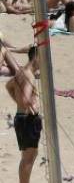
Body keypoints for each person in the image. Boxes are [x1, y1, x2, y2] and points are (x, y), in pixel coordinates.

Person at [5, 45, 41, 183]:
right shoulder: (30, 75)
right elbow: (26, 98)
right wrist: (33, 104)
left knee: (28, 156)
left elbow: (8, 86)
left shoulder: (21, 72)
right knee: (28, 158)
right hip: (27, 119)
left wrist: (18, 101)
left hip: (20, 117)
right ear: (36, 58)